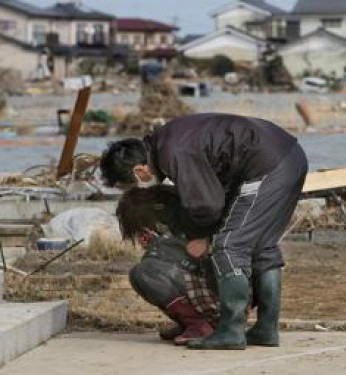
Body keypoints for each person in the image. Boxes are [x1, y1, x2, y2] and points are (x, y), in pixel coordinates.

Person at [100, 113, 308, 350]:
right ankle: (266, 328)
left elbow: (207, 204)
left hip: (267, 165)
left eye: (129, 183)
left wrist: (204, 237)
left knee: (229, 246)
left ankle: (230, 330)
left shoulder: (173, 152)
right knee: (262, 245)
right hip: (286, 156)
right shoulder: (168, 140)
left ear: (140, 171)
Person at [116, 185, 219, 345]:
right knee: (143, 273)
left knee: (143, 273)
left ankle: (198, 325)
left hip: (218, 297)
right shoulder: (187, 216)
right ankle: (192, 322)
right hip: (226, 296)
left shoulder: (179, 228)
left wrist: (155, 247)